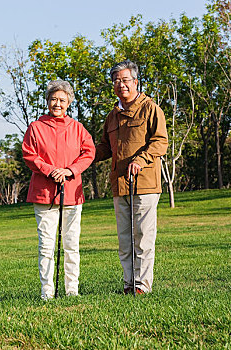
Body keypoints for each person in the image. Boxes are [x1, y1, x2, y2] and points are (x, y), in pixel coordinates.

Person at [95, 60, 168, 294]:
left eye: (125, 80)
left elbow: (160, 142)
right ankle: (128, 284)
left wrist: (141, 160)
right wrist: (81, 154)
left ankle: (142, 286)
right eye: (116, 81)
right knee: (125, 241)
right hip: (120, 185)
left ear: (136, 82)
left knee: (143, 238)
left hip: (145, 184)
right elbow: (104, 148)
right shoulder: (112, 116)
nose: (121, 84)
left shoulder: (151, 109)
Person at [22, 79, 95, 300]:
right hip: (44, 194)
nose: (57, 103)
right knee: (46, 245)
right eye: (53, 99)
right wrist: (50, 170)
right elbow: (29, 154)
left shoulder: (77, 128)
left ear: (69, 103)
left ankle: (72, 289)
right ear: (47, 101)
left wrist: (70, 171)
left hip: (72, 193)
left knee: (71, 244)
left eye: (62, 100)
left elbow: (88, 153)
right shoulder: (36, 127)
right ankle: (47, 291)